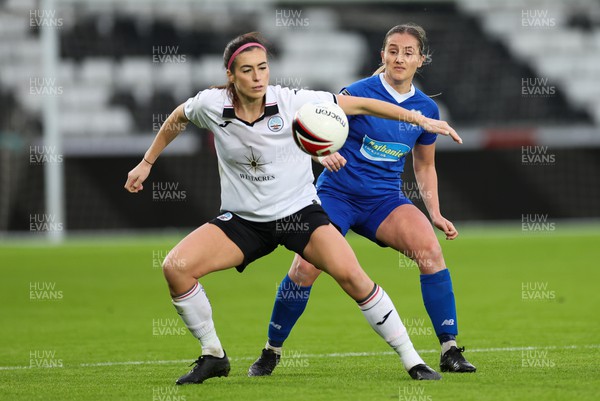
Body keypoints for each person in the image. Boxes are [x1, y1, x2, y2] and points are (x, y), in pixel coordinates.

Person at [124, 32, 461, 384]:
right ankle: (215, 355)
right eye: (248, 70)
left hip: (299, 215)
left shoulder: (291, 100)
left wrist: (419, 120)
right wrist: (147, 162)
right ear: (231, 75)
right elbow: (179, 116)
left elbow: (359, 106)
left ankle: (415, 361)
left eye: (263, 68)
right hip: (244, 222)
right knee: (175, 268)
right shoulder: (210, 105)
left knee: (354, 277)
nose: (257, 77)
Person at [248, 23, 476, 377]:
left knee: (430, 251)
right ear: (382, 54)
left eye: (408, 52)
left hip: (384, 201)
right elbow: (309, 133)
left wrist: (434, 211)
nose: (399, 57)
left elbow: (424, 164)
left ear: (422, 60)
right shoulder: (355, 93)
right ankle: (271, 350)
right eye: (393, 50)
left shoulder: (426, 108)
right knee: (305, 268)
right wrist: (322, 155)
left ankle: (449, 349)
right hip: (335, 195)